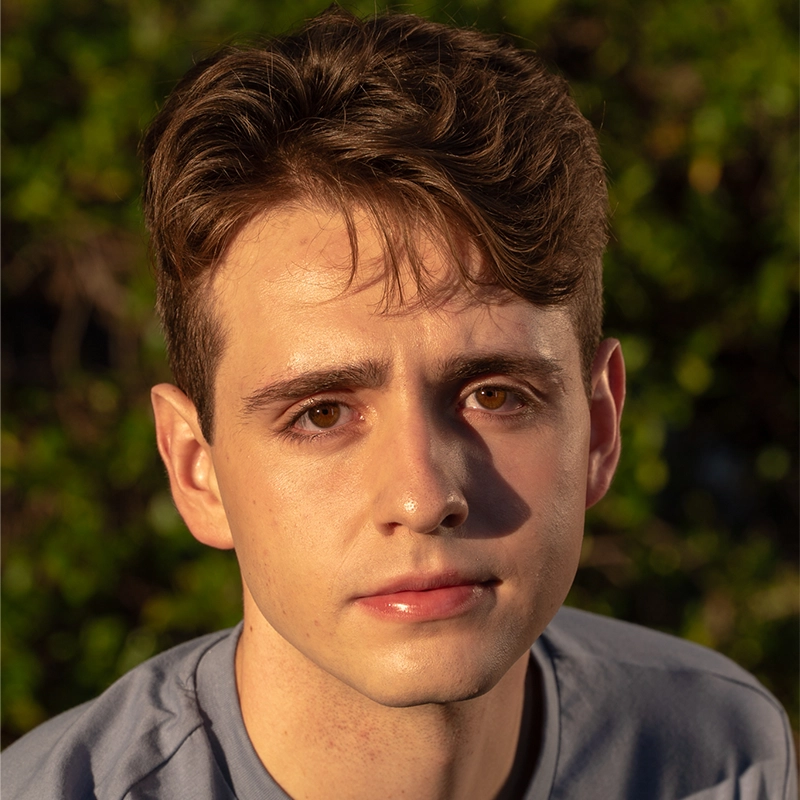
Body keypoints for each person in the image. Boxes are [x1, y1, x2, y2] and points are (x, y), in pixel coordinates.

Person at [2, 7, 795, 799]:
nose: (423, 497)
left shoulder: (723, 756)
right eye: (320, 413)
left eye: (493, 394)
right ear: (195, 469)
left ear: (599, 429)